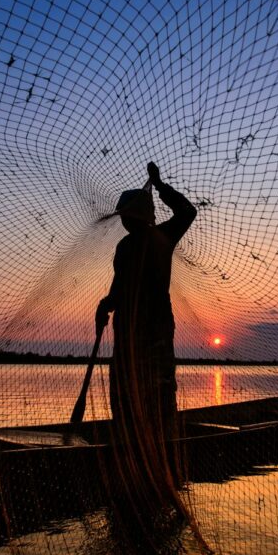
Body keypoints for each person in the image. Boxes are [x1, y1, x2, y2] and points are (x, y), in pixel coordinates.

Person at [95, 162, 196, 457]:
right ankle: (129, 443)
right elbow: (119, 289)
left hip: (155, 328)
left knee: (157, 386)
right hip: (127, 326)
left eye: (129, 216)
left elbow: (188, 212)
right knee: (125, 385)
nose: (126, 222)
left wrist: (160, 185)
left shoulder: (162, 236)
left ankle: (160, 446)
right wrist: (106, 305)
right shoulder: (124, 247)